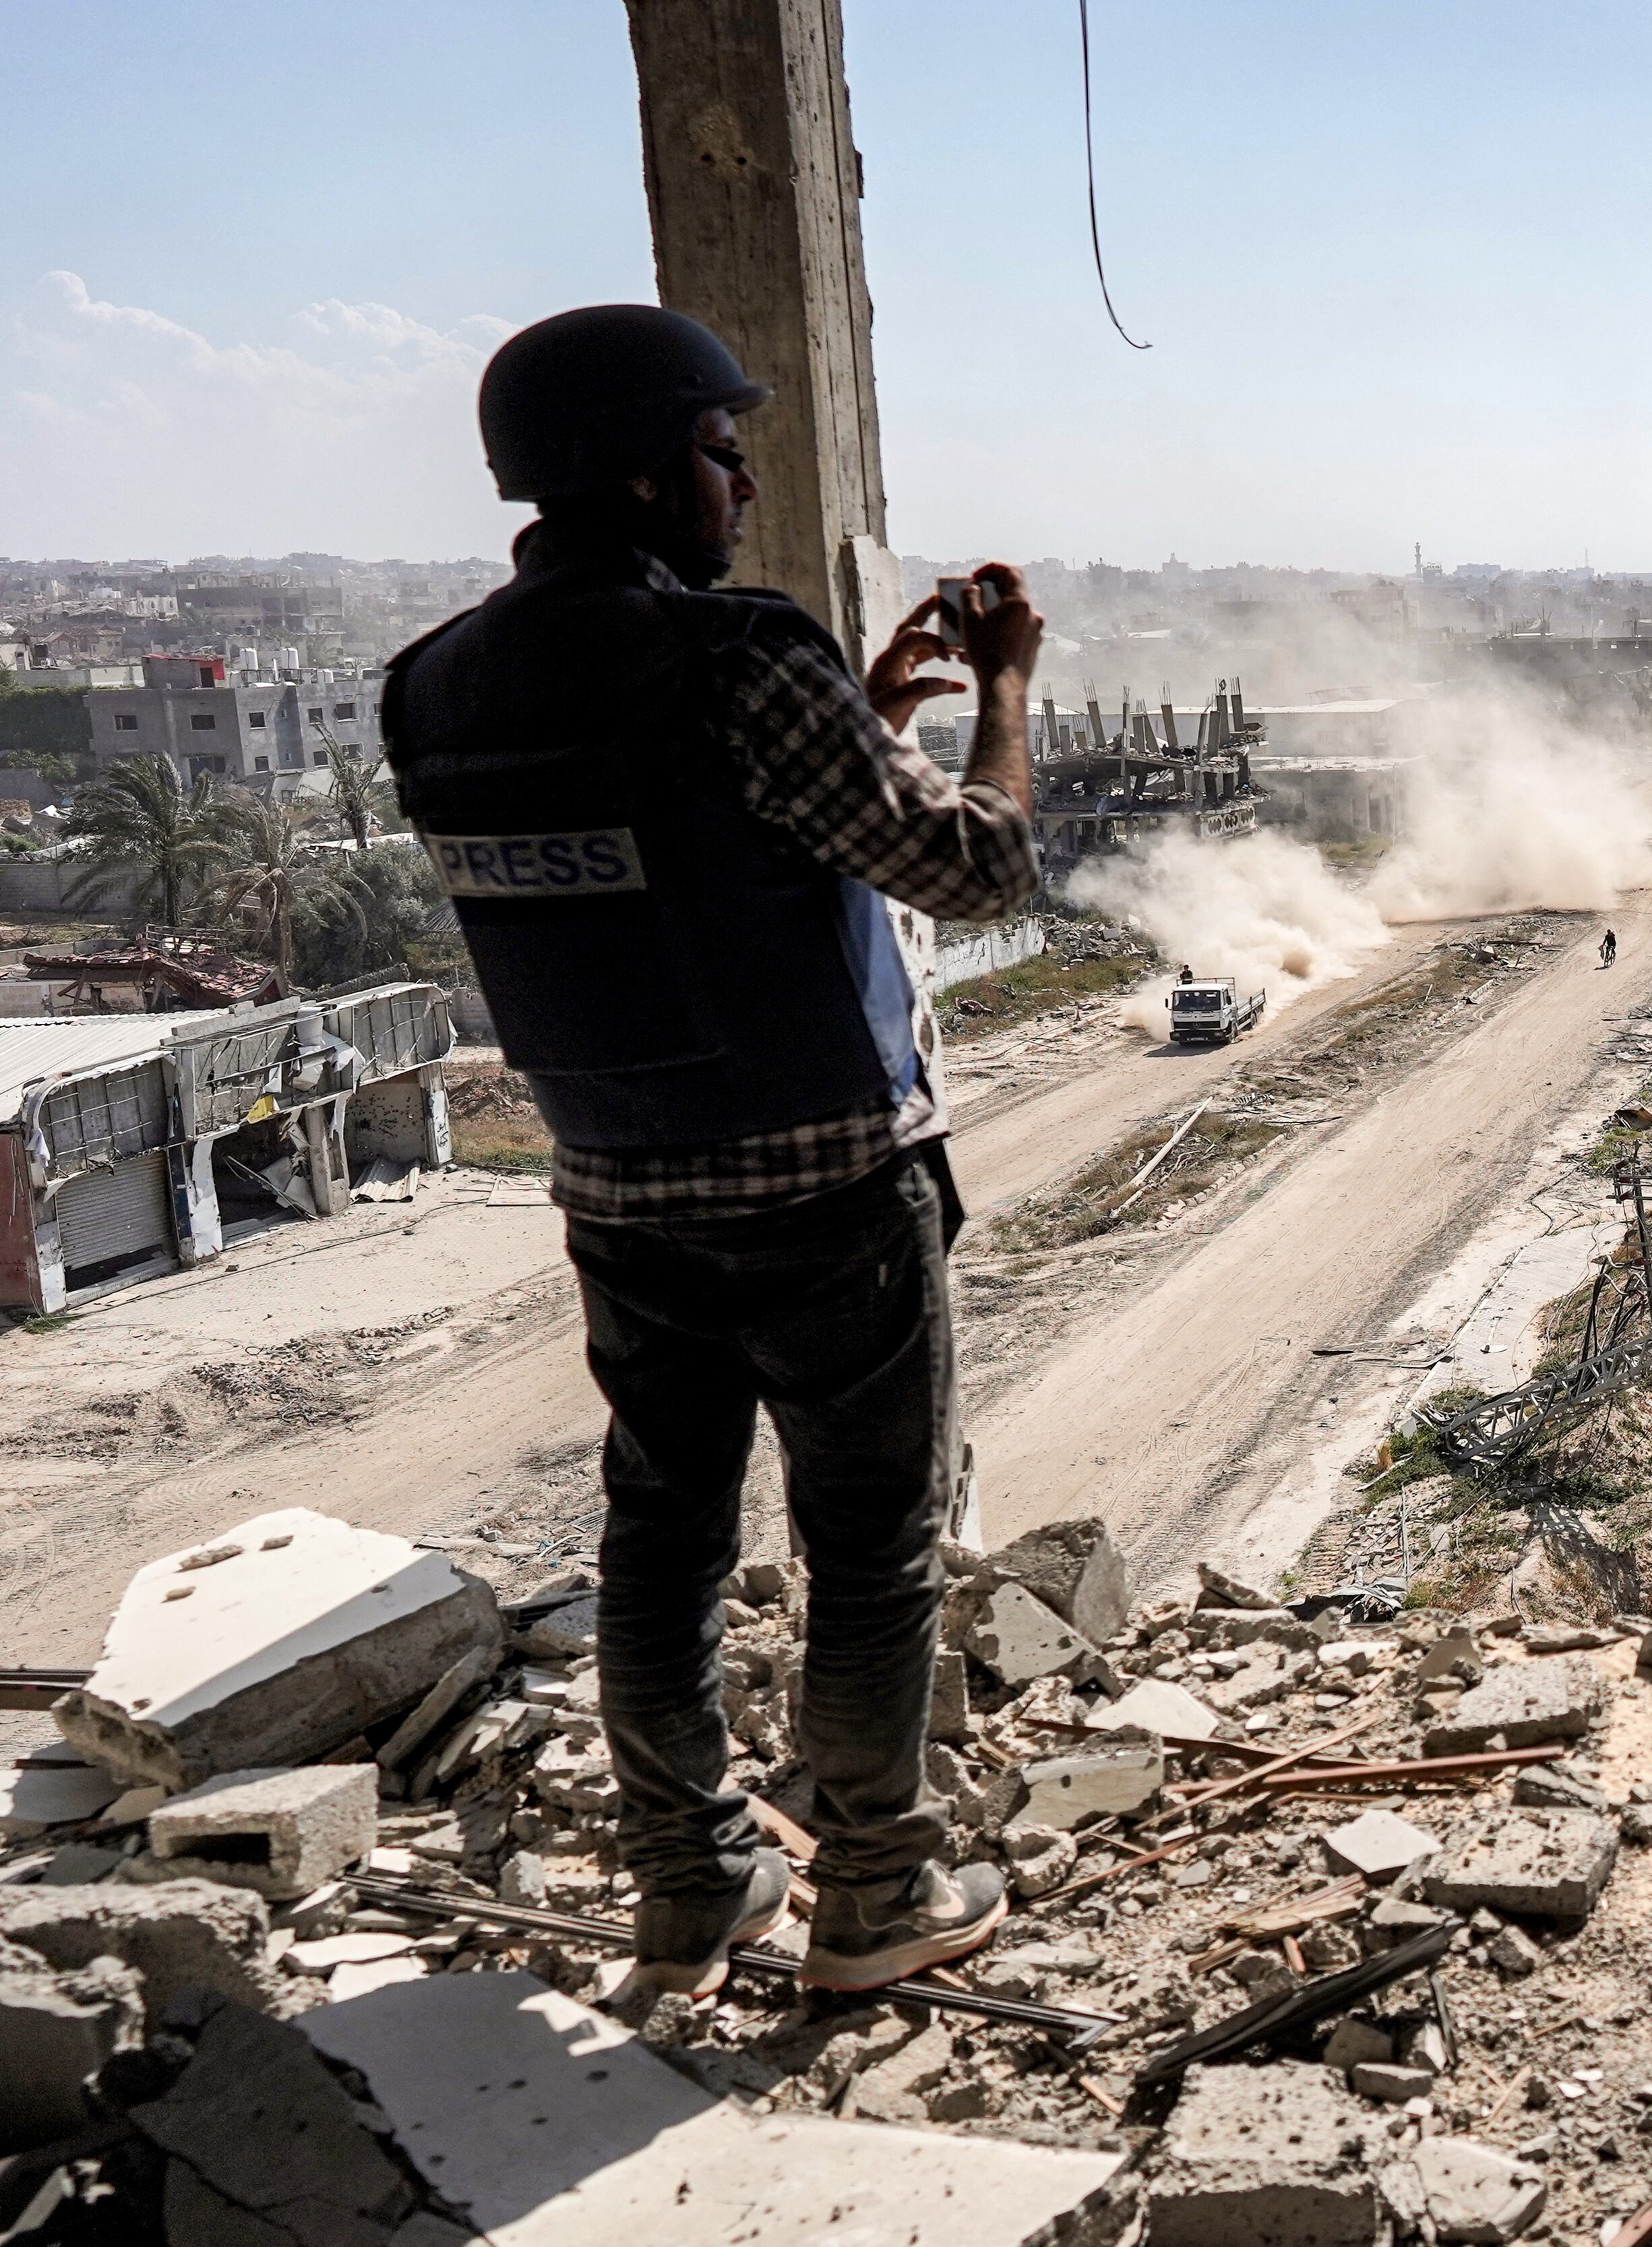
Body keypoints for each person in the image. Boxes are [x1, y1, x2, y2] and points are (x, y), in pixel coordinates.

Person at [385, 305, 1047, 1998]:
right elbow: (975, 871)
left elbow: (647, 848)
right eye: (721, 447)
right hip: (822, 1184)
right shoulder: (741, 654)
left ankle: (692, 1882)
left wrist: (858, 708)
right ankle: (879, 1890)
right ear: (643, 465)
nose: (743, 477)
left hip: (617, 1185)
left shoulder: (432, 685)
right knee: (869, 1542)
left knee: (661, 1536)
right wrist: (1006, 694)